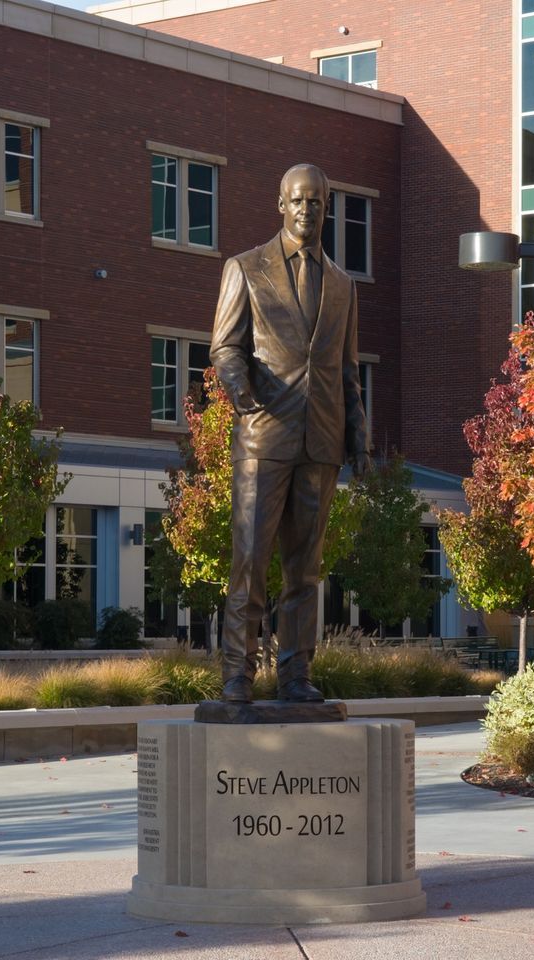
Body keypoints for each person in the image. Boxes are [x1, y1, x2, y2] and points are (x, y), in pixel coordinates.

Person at [209, 163, 371, 703]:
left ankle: (296, 673)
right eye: (298, 201)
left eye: (317, 202)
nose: (307, 210)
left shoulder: (345, 286)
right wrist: (238, 385)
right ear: (281, 204)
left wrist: (358, 432)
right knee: (250, 563)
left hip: (320, 441)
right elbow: (225, 347)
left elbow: (347, 371)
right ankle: (238, 672)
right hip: (264, 435)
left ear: (327, 208)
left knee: (306, 572)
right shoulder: (246, 268)